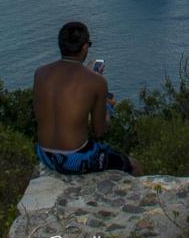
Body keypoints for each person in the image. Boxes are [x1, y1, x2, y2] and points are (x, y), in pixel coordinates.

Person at [33, 21, 141, 175]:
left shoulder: (40, 73)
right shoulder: (97, 81)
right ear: (84, 47)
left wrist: (87, 73)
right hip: (74, 159)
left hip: (44, 153)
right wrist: (108, 106)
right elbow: (100, 130)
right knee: (134, 165)